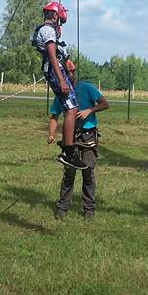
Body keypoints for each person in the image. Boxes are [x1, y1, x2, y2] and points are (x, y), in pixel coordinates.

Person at [48, 65, 109, 220]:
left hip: (88, 136)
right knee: (69, 172)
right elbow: (54, 116)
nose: (68, 75)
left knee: (88, 171)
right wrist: (51, 134)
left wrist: (89, 110)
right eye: (64, 73)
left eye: (70, 72)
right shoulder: (61, 92)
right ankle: (62, 208)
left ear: (74, 73)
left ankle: (89, 210)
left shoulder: (87, 88)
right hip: (70, 138)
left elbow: (105, 103)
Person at [32, 2, 85, 170]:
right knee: (71, 109)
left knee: (71, 107)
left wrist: (68, 68)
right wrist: (61, 80)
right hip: (55, 71)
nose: (60, 25)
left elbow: (57, 53)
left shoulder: (49, 31)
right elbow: (52, 56)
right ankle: (68, 152)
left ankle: (68, 146)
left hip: (58, 70)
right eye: (60, 21)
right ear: (55, 16)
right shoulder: (47, 31)